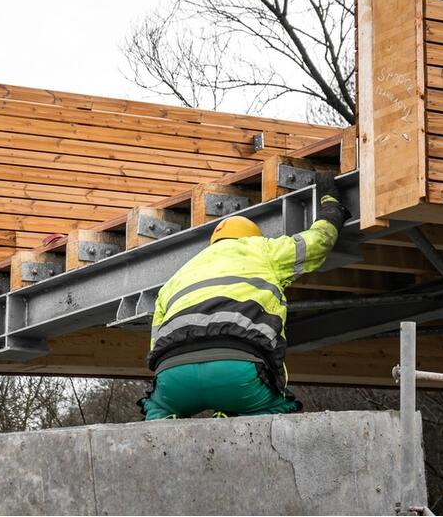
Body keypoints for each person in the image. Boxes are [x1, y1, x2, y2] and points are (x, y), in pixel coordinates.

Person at [140, 173, 350, 419]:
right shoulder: (263, 250)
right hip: (238, 373)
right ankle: (232, 419)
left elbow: (155, 347)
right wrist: (331, 208)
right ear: (252, 237)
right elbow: (318, 242)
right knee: (278, 407)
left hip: (173, 377)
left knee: (154, 409)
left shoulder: (176, 277)